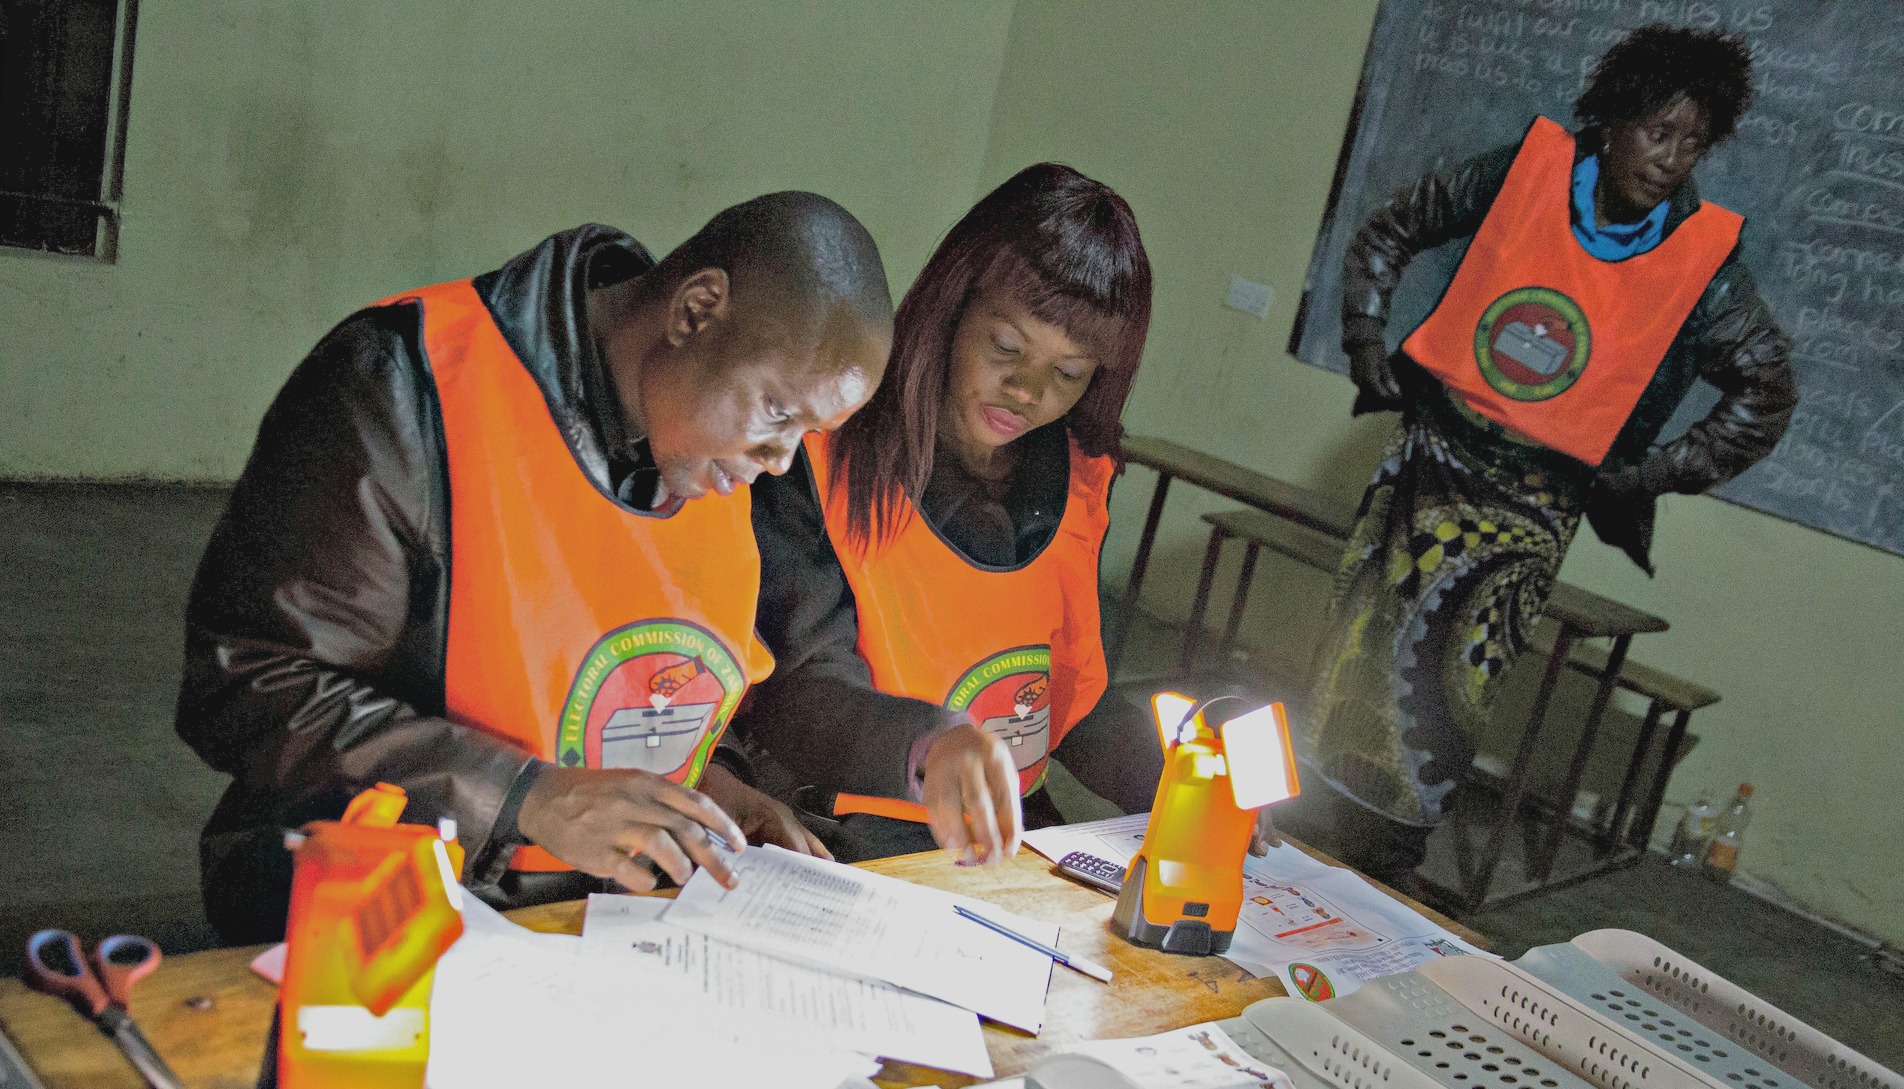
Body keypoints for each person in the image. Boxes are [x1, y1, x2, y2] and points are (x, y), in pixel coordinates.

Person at [177, 195, 894, 942]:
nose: (782, 461)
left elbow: (647, 678)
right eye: (779, 414)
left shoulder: (708, 452)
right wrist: (523, 795)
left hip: (584, 917)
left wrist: (711, 789)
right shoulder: (402, 387)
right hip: (367, 894)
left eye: (809, 432)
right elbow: (245, 684)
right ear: (694, 312)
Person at [1300, 24, 1796, 888]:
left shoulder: (1703, 262)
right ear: (1612, 121)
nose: (1671, 158)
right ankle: (1298, 822)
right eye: (1657, 131)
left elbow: (1767, 389)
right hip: (1428, 459)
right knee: (1357, 640)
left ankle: (1383, 866)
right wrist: (1365, 338)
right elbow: (1390, 229)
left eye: (1692, 142)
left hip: (1530, 508)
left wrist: (1647, 473)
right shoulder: (1522, 174)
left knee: (1453, 685)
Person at [732, 163, 1171, 866]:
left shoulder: (1080, 476)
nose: (1027, 391)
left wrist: (1183, 772)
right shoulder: (819, 454)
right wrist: (932, 743)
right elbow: (799, 700)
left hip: (1009, 840)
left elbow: (1068, 703)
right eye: (1006, 348)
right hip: (859, 839)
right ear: (953, 304)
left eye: (1068, 373)